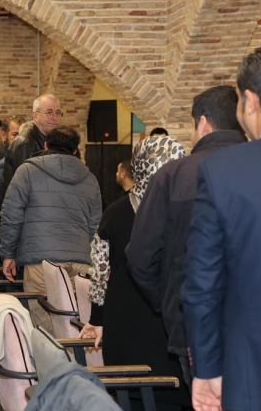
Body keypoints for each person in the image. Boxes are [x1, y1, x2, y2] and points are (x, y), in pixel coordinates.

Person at [183, 45, 261, 411]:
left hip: (259, 370)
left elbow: (202, 285)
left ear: (251, 101)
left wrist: (207, 370)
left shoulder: (225, 171)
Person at [125, 86, 245, 385]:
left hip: (192, 322)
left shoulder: (173, 175)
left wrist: (170, 300)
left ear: (203, 123)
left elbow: (140, 255)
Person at [79, 134, 188, 409]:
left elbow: (101, 272)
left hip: (123, 325)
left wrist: (97, 319)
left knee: (130, 394)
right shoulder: (186, 211)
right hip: (170, 329)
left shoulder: (115, 212)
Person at [0, 127, 101, 331]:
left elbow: (11, 215)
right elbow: (95, 223)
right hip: (81, 262)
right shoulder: (90, 178)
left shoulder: (27, 171)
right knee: (79, 327)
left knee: (46, 328)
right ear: (75, 150)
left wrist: (8, 253)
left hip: (41, 263)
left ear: (46, 145)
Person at [0, 94, 62, 239]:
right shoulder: (25, 143)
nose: (54, 117)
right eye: (49, 112)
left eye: (58, 112)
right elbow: (24, 194)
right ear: (35, 116)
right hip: (24, 227)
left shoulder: (50, 141)